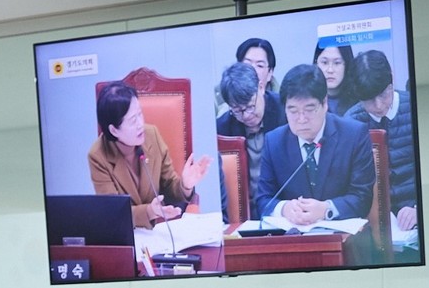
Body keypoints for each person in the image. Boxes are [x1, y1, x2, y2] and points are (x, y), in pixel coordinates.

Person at [255, 63, 376, 226]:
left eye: (309, 109)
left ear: (324, 103)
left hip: (344, 237)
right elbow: (263, 200)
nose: (301, 119)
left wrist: (326, 209)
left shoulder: (354, 135)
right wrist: (284, 209)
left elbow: (362, 197)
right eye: (293, 111)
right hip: (295, 236)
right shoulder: (274, 142)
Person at [88, 81, 211, 229]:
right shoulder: (98, 156)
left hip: (158, 230)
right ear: (114, 130)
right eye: (133, 120)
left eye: (140, 114)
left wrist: (185, 185)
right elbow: (113, 212)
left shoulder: (151, 135)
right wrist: (149, 211)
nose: (140, 124)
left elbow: (169, 188)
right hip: (126, 233)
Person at [345, 49, 419, 232]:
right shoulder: (351, 123)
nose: (378, 105)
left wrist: (419, 208)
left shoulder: (416, 108)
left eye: (383, 94)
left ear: (392, 78)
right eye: (369, 100)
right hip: (372, 222)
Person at [216, 62, 286, 204]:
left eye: (250, 107)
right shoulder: (223, 129)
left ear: (261, 87)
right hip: (244, 209)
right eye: (237, 110)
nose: (246, 116)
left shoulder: (285, 113)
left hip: (281, 206)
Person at [312, 42, 356, 115]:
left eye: (337, 63)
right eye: (325, 62)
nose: (330, 70)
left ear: (347, 65)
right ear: (316, 63)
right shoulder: (306, 98)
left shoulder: (360, 101)